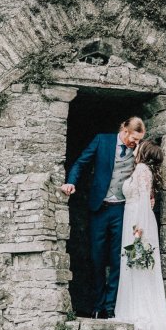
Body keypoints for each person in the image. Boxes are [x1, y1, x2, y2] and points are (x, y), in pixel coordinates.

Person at [61, 117, 146, 318]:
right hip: (99, 208)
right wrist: (70, 182)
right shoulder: (102, 140)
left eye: (139, 139)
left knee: (119, 257)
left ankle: (111, 306)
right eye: (134, 138)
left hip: (122, 209)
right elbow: (81, 162)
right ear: (124, 130)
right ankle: (97, 306)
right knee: (96, 257)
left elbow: (146, 172)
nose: (136, 143)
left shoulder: (138, 150)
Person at [115, 140, 166, 330]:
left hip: (136, 223)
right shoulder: (147, 172)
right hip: (138, 220)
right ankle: (134, 304)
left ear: (144, 153)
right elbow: (146, 199)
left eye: (139, 147)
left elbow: (140, 203)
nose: (135, 148)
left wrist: (138, 235)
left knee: (135, 263)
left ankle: (133, 307)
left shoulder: (141, 170)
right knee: (136, 267)